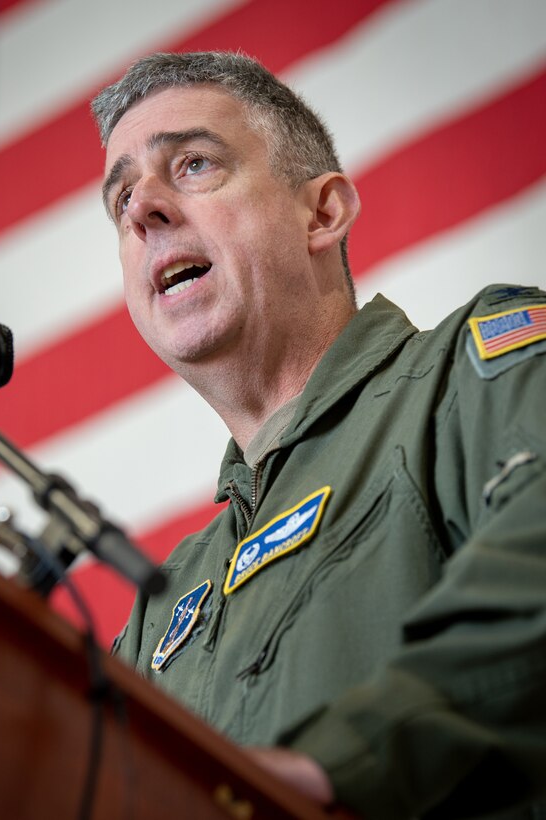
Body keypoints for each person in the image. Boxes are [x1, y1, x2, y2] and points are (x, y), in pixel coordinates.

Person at [91, 52, 546, 818]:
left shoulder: (471, 372)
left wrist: (335, 765)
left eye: (193, 164)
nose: (142, 210)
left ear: (323, 213)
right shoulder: (156, 613)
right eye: (122, 199)